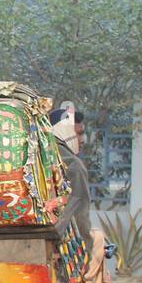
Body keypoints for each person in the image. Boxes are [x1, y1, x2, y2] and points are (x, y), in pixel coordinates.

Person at [49, 107, 92, 253]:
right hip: (57, 244)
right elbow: (81, 215)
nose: (82, 140)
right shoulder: (75, 166)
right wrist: (89, 251)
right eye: (78, 134)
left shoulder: (39, 155)